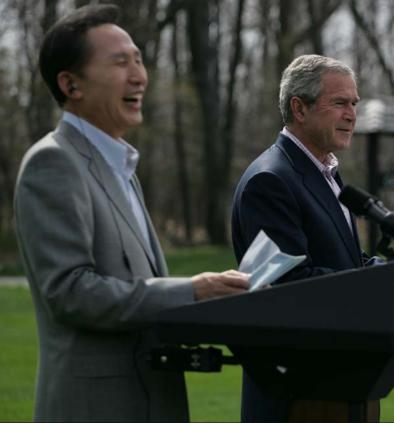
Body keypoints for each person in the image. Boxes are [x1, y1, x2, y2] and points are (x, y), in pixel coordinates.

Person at [13, 5, 249, 422]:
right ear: (71, 84)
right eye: (120, 62)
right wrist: (191, 291)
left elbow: (137, 291)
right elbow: (71, 293)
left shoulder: (120, 168)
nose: (139, 75)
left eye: (138, 59)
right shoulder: (53, 164)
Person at [231, 54, 379, 422]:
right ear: (299, 108)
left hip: (336, 381)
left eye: (354, 104)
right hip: (295, 392)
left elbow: (340, 260)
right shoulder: (272, 180)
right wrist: (373, 284)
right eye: (340, 103)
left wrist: (387, 272)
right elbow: (286, 286)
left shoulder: (324, 171)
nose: (351, 114)